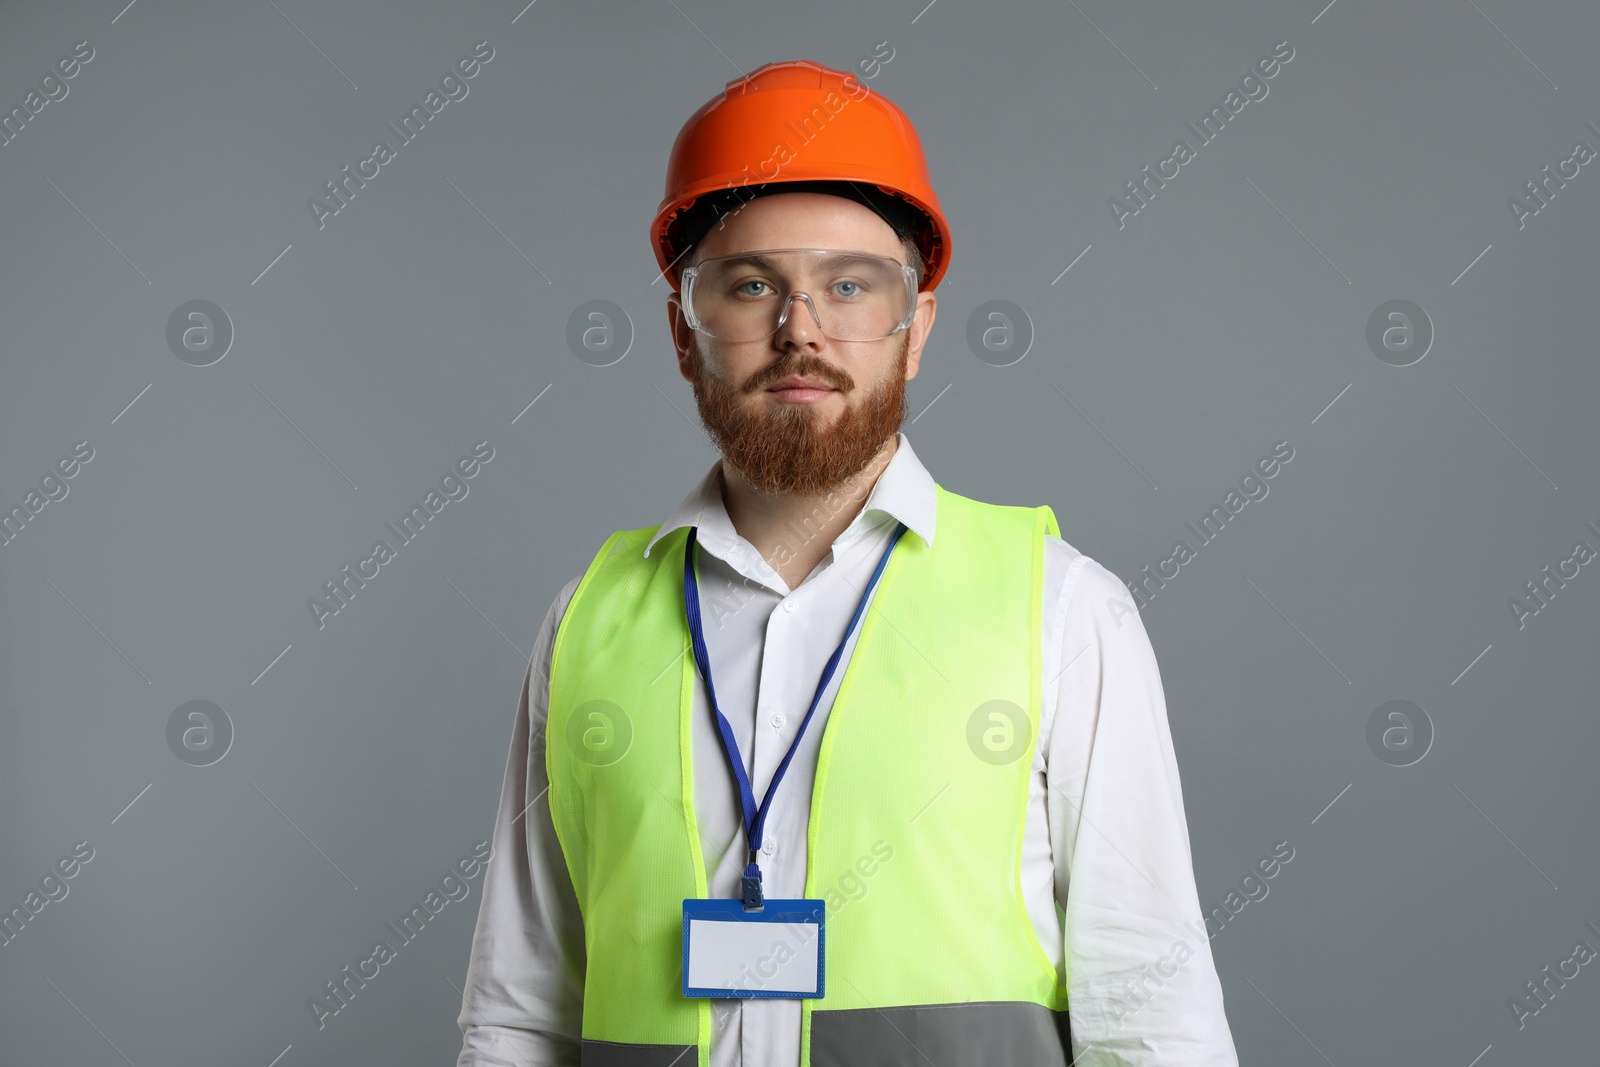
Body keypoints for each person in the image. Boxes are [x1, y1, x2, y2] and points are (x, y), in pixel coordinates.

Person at [455, 59, 1240, 1067]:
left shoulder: (1062, 610)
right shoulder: (586, 623)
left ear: (913, 330)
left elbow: (1153, 1015)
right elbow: (518, 1018)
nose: (801, 331)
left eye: (849, 286)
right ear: (684, 334)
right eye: (750, 286)